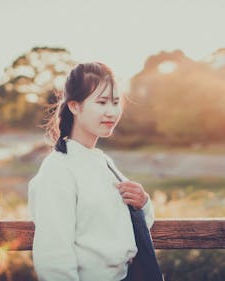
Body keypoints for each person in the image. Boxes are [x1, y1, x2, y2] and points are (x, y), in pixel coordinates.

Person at [28, 62, 155, 281]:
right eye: (102, 102)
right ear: (74, 106)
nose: (111, 112)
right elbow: (53, 257)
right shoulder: (58, 168)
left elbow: (138, 224)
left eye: (116, 102)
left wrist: (143, 202)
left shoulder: (103, 161)